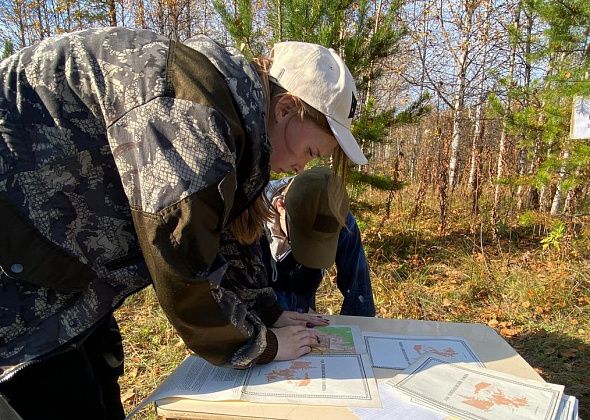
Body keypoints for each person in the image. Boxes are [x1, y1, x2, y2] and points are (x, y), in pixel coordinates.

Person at [0, 28, 367, 419]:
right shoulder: (196, 112)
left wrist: (267, 310)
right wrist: (264, 345)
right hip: (18, 274)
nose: (300, 167)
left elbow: (221, 234)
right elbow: (181, 260)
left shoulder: (230, 112)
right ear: (285, 108)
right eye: (309, 151)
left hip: (59, 265)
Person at [263, 167, 375, 317]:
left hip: (304, 308)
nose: (309, 252)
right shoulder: (250, 217)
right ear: (281, 207)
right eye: (300, 240)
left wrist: (359, 332)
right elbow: (241, 294)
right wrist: (284, 314)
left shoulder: (338, 216)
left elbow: (358, 290)